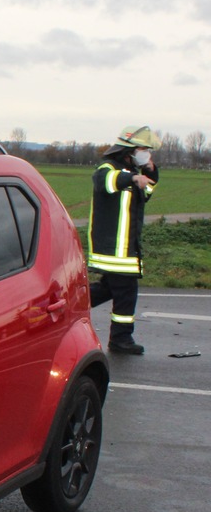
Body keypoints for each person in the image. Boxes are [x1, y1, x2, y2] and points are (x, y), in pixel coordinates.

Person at [88, 125, 160, 355]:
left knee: (109, 289)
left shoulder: (132, 170)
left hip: (125, 249)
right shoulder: (109, 168)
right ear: (129, 149)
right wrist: (132, 177)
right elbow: (105, 181)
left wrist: (149, 171)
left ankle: (71, 306)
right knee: (126, 292)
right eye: (143, 149)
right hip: (114, 251)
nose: (146, 153)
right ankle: (120, 339)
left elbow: (145, 192)